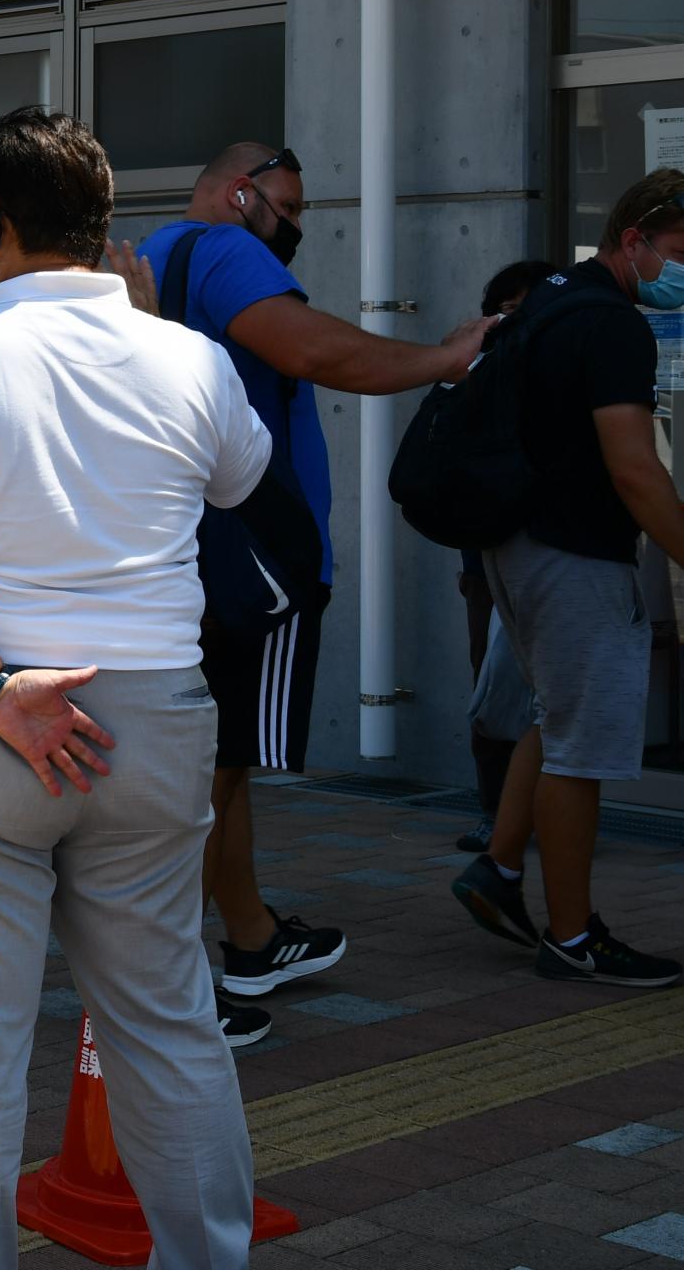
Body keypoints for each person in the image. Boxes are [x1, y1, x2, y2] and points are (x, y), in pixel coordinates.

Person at [0, 107, 273, 1269]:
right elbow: (240, 478)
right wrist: (152, 330)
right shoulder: (187, 356)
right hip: (151, 718)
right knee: (166, 1023)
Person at [134, 144, 487, 1044]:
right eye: (288, 207)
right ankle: (173, 981)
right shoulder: (224, 248)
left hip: (187, 547)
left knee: (219, 759)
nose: (296, 226)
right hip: (250, 549)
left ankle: (249, 935)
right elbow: (318, 349)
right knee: (204, 771)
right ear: (242, 194)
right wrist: (443, 358)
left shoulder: (151, 255)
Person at [452, 172, 684, 988]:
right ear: (636, 240)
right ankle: (575, 936)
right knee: (580, 750)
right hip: (576, 553)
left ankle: (501, 867)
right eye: (681, 254)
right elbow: (635, 471)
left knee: (557, 716)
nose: (681, 272)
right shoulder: (616, 327)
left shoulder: (548, 299)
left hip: (515, 545)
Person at [452, 259, 555, 853]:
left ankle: (544, 812)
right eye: (504, 309)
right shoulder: (478, 370)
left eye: (525, 308)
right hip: (486, 558)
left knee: (553, 692)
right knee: (491, 690)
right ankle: (495, 811)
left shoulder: (566, 366)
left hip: (555, 552)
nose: (513, 321)